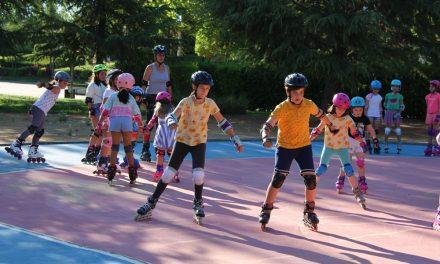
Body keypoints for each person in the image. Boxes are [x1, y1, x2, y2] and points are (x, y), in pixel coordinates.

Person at [135, 71, 243, 225]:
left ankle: (198, 203)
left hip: (199, 142)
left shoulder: (210, 104)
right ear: (194, 87)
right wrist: (172, 122)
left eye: (207, 88)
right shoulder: (185, 102)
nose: (205, 91)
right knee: (168, 174)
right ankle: (151, 202)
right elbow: (172, 115)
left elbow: (222, 122)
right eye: (202, 88)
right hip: (182, 141)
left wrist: (235, 139)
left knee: (198, 175)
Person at [258, 73, 333, 231]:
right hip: (285, 148)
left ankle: (309, 212)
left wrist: (330, 125)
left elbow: (321, 114)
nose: (298, 96)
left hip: (304, 147)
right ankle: (266, 208)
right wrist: (265, 137)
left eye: (301, 92)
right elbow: (268, 124)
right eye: (295, 92)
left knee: (311, 179)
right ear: (288, 92)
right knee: (278, 178)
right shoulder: (282, 107)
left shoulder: (308, 104)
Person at [311, 93, 367, 209]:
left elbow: (354, 132)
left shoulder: (348, 119)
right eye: (339, 108)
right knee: (321, 169)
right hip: (329, 147)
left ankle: (358, 194)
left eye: (344, 109)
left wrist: (361, 141)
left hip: (342, 148)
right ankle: (310, 190)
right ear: (334, 106)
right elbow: (318, 130)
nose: (341, 111)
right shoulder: (328, 117)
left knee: (348, 169)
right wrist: (309, 139)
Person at [5, 71, 70, 162]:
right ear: (59, 80)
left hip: (41, 111)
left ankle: (33, 150)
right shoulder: (57, 88)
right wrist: (43, 84)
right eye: (64, 82)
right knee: (33, 128)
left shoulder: (56, 87)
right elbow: (51, 87)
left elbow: (50, 87)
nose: (66, 84)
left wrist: (44, 84)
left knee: (40, 131)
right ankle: (16, 144)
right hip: (39, 110)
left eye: (67, 83)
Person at [96, 73, 143, 185]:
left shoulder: (113, 96)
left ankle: (111, 175)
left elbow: (105, 111)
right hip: (127, 123)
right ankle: (132, 175)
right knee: (128, 148)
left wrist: (99, 123)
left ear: (118, 83)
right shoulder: (131, 98)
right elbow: (137, 114)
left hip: (115, 123)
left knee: (114, 147)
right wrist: (141, 125)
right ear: (131, 85)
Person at [335, 96, 379, 194]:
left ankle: (362, 183)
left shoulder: (365, 118)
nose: (358, 112)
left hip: (360, 142)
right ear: (351, 109)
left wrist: (374, 138)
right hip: (349, 141)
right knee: (346, 163)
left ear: (363, 109)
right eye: (356, 110)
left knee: (361, 163)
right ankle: (340, 181)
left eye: (360, 110)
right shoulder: (348, 118)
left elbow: (370, 129)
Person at [140, 45, 172, 162]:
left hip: (163, 99)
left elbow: (168, 84)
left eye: (163, 55)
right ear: (155, 56)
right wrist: (142, 98)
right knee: (150, 124)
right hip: (151, 97)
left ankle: (159, 148)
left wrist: (170, 98)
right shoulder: (150, 68)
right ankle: (145, 149)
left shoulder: (167, 68)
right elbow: (143, 84)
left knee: (161, 125)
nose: (161, 56)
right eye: (159, 54)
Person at [143, 91, 178, 182]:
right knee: (172, 154)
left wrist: (146, 128)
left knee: (160, 154)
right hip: (171, 135)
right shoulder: (173, 110)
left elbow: (152, 122)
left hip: (162, 134)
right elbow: (177, 122)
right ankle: (173, 172)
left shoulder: (158, 111)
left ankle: (159, 171)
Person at [94, 68, 123, 175]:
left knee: (113, 143)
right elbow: (105, 107)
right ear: (110, 80)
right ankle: (102, 163)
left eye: (120, 80)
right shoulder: (109, 91)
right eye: (116, 79)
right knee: (108, 141)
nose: (118, 82)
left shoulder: (117, 92)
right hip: (108, 120)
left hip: (115, 120)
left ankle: (111, 162)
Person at [82, 64, 108, 164]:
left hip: (103, 109)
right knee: (97, 132)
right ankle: (90, 152)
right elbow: (88, 99)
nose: (103, 75)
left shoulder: (105, 85)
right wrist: (91, 110)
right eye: (101, 74)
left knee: (102, 133)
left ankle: (96, 152)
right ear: (96, 74)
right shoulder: (92, 85)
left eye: (105, 74)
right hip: (95, 108)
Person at [383, 79, 405, 154]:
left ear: (399, 88)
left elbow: (402, 105)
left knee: (398, 130)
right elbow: (385, 104)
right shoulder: (387, 95)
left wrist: (399, 112)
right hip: (389, 113)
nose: (395, 87)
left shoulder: (400, 96)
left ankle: (399, 144)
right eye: (393, 86)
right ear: (391, 87)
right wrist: (386, 110)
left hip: (397, 113)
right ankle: (385, 144)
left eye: (397, 86)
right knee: (387, 129)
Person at [365, 79, 383, 154]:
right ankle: (367, 143)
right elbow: (366, 106)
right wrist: (365, 116)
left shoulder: (380, 97)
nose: (376, 90)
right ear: (372, 88)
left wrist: (381, 115)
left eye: (377, 89)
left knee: (376, 130)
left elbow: (380, 106)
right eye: (374, 88)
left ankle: (375, 144)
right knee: (368, 130)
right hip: (370, 114)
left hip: (377, 114)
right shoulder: (368, 96)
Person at [423, 80, 440, 156]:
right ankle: (429, 147)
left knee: (435, 132)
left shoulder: (439, 96)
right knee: (430, 132)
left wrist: (438, 116)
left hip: (436, 114)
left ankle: (437, 147)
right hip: (429, 115)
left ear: (436, 87)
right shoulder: (427, 96)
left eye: (432, 87)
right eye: (430, 86)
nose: (430, 88)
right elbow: (428, 106)